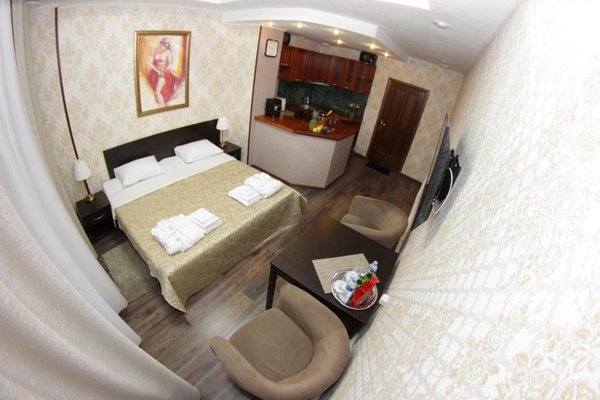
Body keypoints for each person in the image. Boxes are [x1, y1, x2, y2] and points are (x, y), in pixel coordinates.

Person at [147, 38, 178, 106]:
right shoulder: (154, 51)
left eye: (167, 46)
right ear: (161, 44)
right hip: (154, 72)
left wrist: (166, 69)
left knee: (158, 92)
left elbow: (170, 64)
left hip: (164, 71)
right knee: (157, 92)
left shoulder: (168, 52)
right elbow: (149, 63)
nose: (165, 48)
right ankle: (162, 105)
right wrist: (157, 71)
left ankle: (163, 106)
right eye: (164, 45)